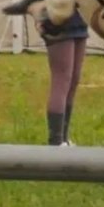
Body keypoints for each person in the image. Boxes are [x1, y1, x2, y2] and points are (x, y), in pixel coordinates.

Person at [38, 8, 88, 146]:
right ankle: (55, 142)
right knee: (62, 80)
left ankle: (64, 138)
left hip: (79, 22)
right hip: (57, 24)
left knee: (73, 80)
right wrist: (40, 18)